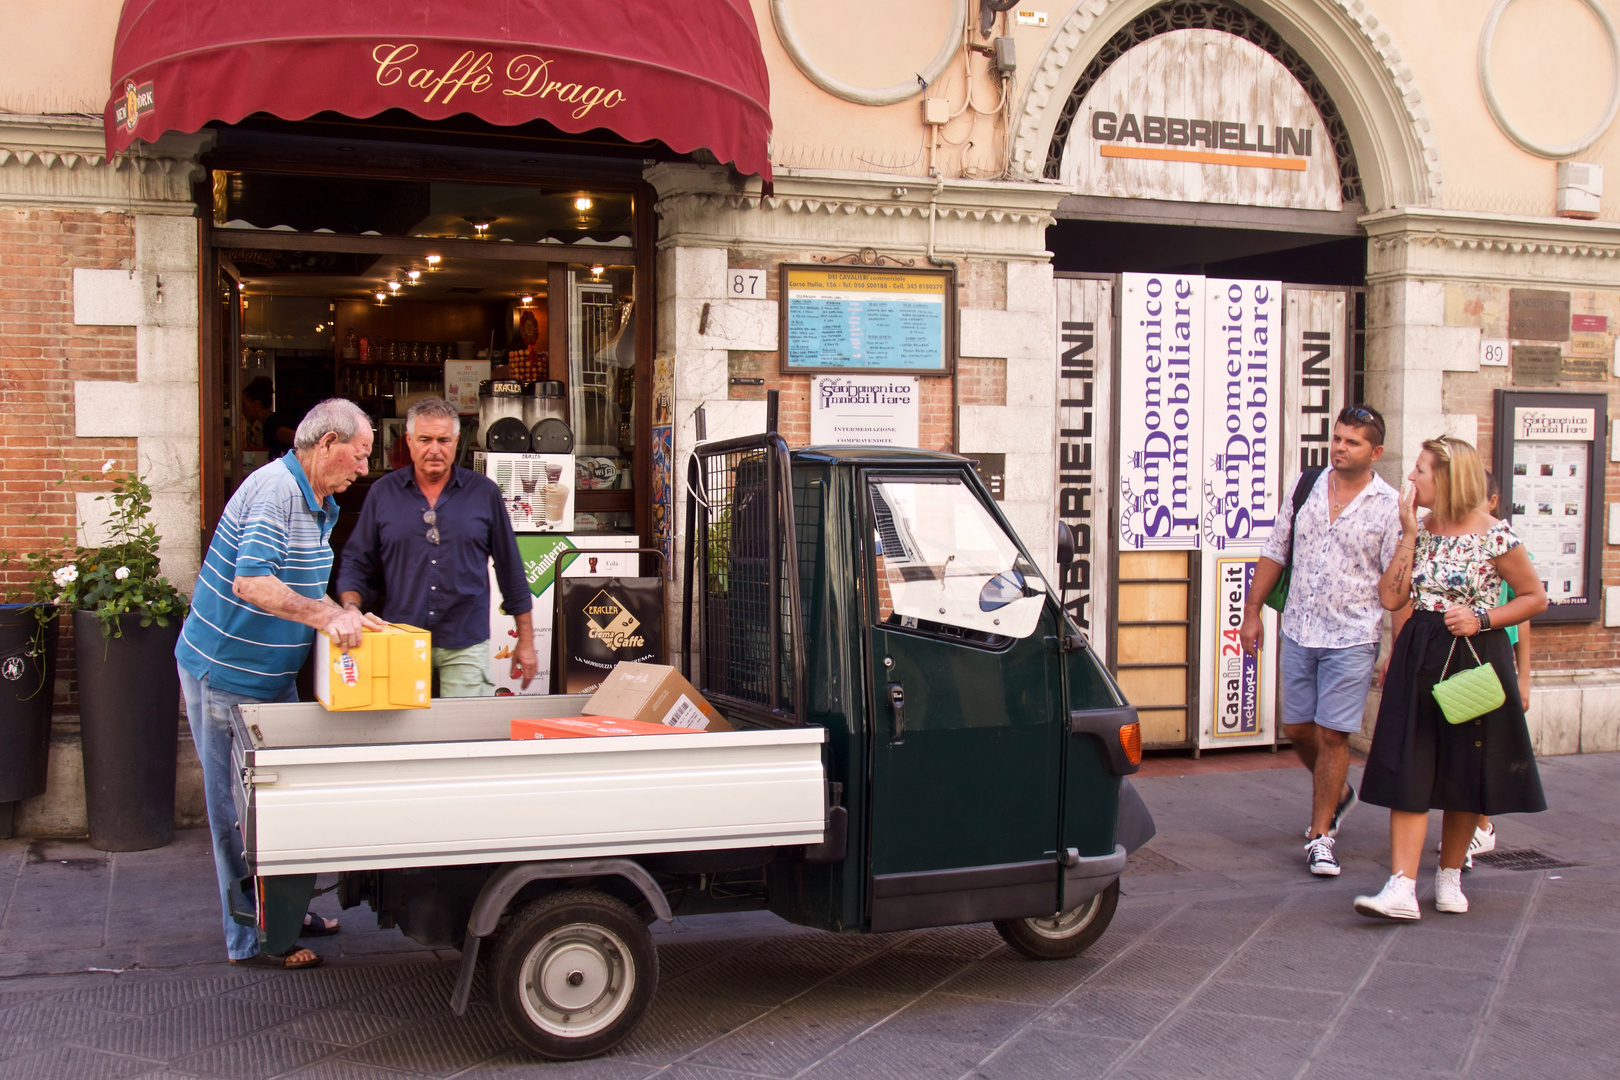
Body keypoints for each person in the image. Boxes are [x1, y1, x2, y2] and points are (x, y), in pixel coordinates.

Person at [177, 399, 384, 968]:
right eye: (359, 454)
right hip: (225, 672)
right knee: (235, 811)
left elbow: (298, 587)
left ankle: (284, 913)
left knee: (285, 803)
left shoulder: (320, 501)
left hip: (271, 675)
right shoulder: (275, 492)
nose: (363, 468)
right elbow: (251, 583)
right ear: (326, 444)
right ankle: (250, 936)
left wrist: (347, 615)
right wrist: (326, 618)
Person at [1354, 437, 1548, 920]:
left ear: (1447, 478)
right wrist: (1406, 535)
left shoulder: (1495, 535)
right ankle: (1400, 885)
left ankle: (1448, 874)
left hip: (1473, 653)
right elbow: (1391, 598)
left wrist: (1483, 619)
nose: (1411, 478)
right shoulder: (1417, 527)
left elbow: (1533, 598)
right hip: (1421, 650)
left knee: (1467, 767)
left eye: (1420, 470)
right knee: (1410, 765)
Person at [1239, 405, 1402, 878]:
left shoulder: (1389, 506)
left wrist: (1397, 647)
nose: (1339, 448)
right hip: (1299, 628)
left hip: (1353, 635)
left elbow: (1398, 583)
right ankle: (1339, 793)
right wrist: (1252, 613)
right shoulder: (1307, 485)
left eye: (1351, 442)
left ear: (1376, 451)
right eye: (1337, 438)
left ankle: (1320, 834)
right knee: (1298, 728)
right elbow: (1276, 549)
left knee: (1334, 734)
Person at [337, 397, 537, 696]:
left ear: (457, 440)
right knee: (403, 736)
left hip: (465, 639)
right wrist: (351, 608)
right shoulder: (383, 493)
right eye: (425, 439)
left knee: (466, 736)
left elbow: (510, 569)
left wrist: (526, 640)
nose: (434, 449)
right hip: (401, 638)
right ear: (408, 440)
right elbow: (356, 560)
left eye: (443, 439)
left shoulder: (484, 493)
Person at [241, 376, 299, 460]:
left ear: (256, 404)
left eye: (243, 405)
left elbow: (298, 439)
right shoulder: (268, 422)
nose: (242, 409)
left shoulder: (272, 424)